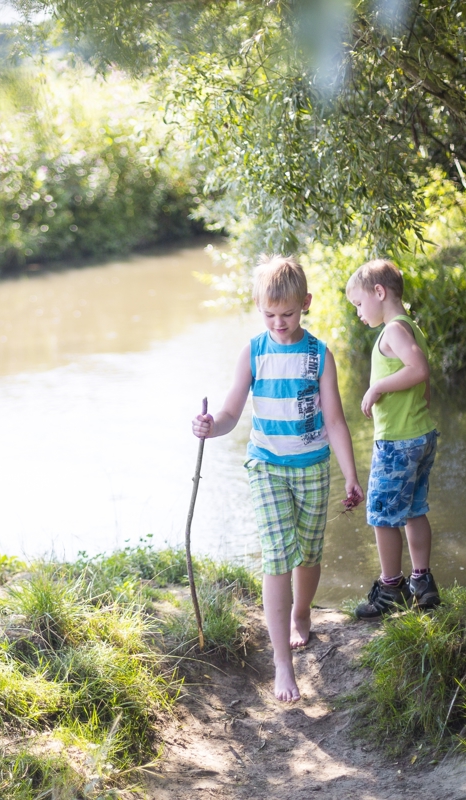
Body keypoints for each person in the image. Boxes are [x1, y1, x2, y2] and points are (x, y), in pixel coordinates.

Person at [192, 255, 363, 703]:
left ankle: (301, 613)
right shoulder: (253, 352)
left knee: (308, 552)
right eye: (270, 314)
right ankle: (282, 666)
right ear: (258, 306)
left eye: (287, 314)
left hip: (311, 466)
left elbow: (336, 420)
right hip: (266, 464)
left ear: (304, 304)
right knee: (277, 554)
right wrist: (212, 426)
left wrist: (350, 474)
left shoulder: (318, 355)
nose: (279, 322)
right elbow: (231, 411)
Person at [345, 258, 440, 619]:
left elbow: (418, 369)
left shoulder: (393, 331)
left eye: (358, 303)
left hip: (398, 441)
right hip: (421, 434)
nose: (358, 312)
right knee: (415, 509)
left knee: (382, 516)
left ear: (379, 292)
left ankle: (390, 588)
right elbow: (424, 383)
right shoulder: (412, 328)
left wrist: (377, 387)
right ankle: (422, 581)